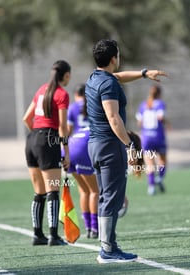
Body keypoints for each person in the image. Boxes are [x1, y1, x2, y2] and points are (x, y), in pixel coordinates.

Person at [85, 39, 167, 263]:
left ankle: (107, 246)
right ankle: (108, 250)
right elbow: (113, 118)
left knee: (105, 197)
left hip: (95, 145)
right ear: (114, 59)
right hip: (110, 146)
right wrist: (129, 145)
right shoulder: (109, 84)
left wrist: (143, 73)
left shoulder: (95, 78)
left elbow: (118, 77)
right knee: (112, 198)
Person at [23, 60, 71, 246]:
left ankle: (37, 235)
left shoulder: (41, 90)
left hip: (32, 139)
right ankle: (53, 236)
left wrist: (37, 135)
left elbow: (26, 118)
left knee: (39, 192)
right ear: (66, 75)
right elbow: (62, 126)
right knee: (53, 189)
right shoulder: (61, 94)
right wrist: (66, 152)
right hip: (48, 139)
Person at [66, 83, 99, 239]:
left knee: (83, 190)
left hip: (71, 147)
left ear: (75, 94)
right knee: (94, 191)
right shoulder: (92, 104)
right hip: (86, 145)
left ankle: (87, 227)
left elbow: (68, 131)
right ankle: (95, 228)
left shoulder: (72, 108)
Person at [136, 85, 170, 195]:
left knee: (149, 163)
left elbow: (139, 122)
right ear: (159, 94)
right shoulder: (160, 104)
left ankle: (151, 186)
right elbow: (160, 117)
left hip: (146, 138)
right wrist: (167, 123)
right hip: (158, 136)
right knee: (162, 160)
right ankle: (159, 178)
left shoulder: (143, 105)